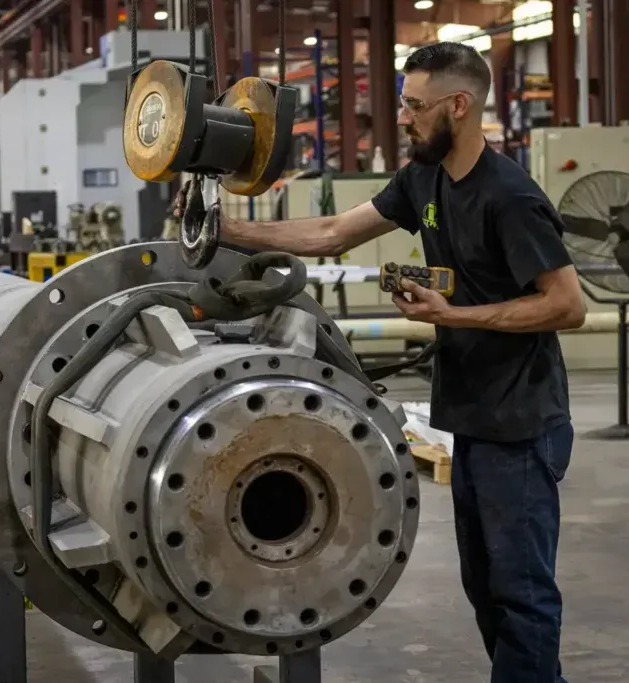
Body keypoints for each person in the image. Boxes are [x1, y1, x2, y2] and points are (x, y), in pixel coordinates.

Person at [174, 42, 585, 683]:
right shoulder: (422, 177)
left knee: (521, 592)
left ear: (460, 104)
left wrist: (452, 317)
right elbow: (332, 233)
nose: (404, 117)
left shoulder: (510, 197)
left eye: (416, 106)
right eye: (402, 103)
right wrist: (229, 231)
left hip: (523, 422)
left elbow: (566, 305)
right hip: (475, 414)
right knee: (487, 588)